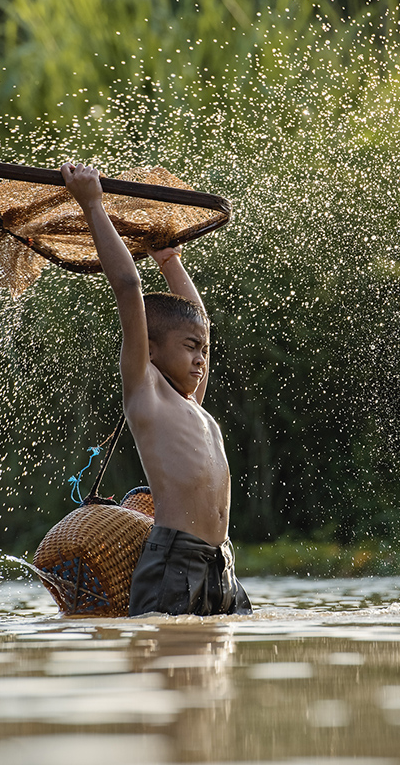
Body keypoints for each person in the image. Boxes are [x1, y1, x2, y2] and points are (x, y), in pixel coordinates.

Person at [61, 162, 252, 616]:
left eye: (202, 351)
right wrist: (92, 203)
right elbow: (128, 287)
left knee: (217, 671)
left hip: (220, 562)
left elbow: (199, 321)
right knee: (171, 672)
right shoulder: (146, 394)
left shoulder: (195, 407)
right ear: (150, 350)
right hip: (174, 560)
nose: (200, 359)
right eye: (190, 349)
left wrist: (170, 260)